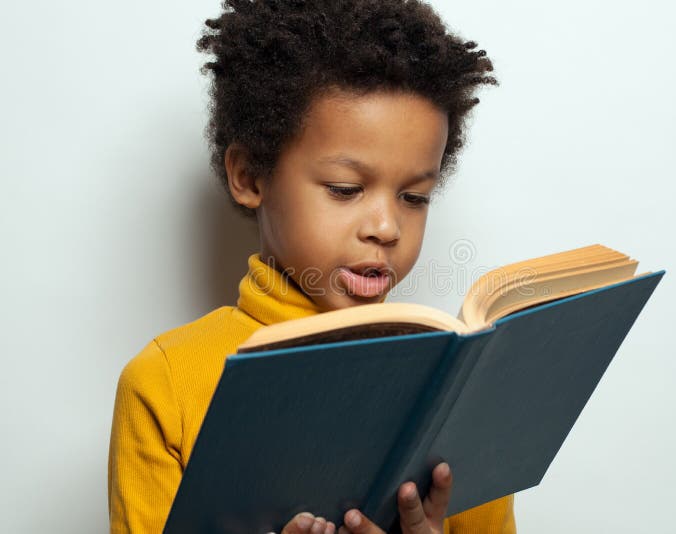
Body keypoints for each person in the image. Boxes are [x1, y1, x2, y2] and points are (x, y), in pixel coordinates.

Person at [107, 1, 515, 532]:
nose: (387, 228)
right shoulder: (164, 386)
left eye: (415, 197)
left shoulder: (455, 391)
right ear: (250, 177)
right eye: (345, 190)